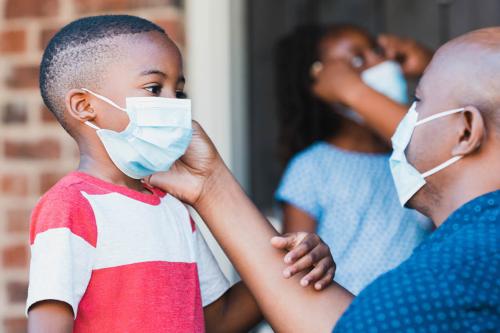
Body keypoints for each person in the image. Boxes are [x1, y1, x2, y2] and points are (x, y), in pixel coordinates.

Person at [148, 27, 500, 332]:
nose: (407, 116)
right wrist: (210, 185)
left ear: (466, 130)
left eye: (418, 100)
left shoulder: (463, 266)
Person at [26, 15, 337, 333]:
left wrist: (295, 268)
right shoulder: (70, 206)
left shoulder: (172, 207)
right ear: (83, 105)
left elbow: (218, 319)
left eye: (178, 92)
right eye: (154, 88)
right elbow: (48, 323)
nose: (172, 104)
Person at [274, 24, 433, 294]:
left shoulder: (416, 158)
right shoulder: (311, 167)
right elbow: (294, 273)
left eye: (376, 51)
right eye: (357, 60)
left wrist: (431, 67)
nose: (379, 63)